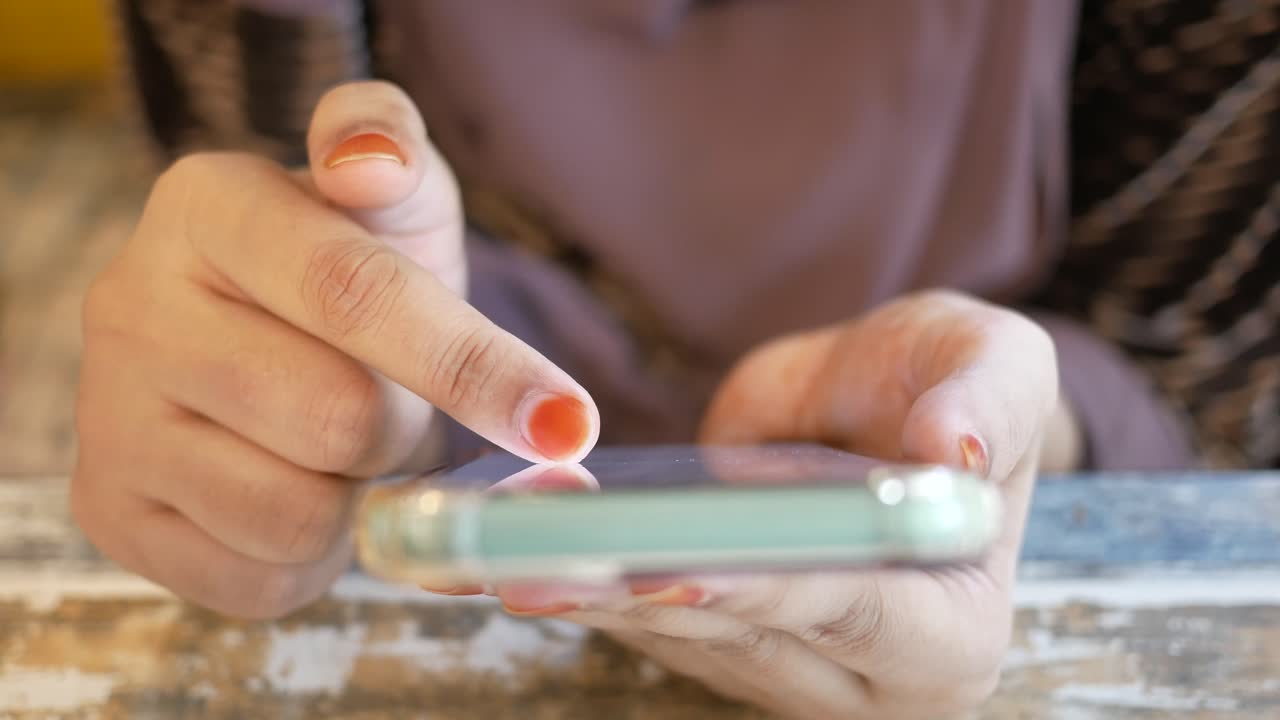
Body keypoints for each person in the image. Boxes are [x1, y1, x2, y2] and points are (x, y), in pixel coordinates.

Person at [73, 1, 1279, 717]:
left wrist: (1029, 420)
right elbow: (259, 197)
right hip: (439, 467)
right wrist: (282, 386)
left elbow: (1208, 357)